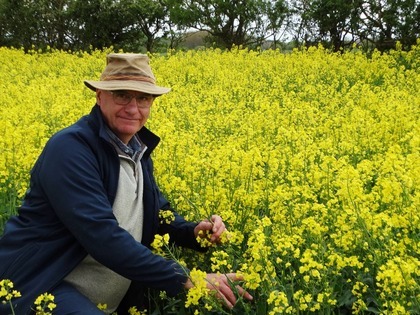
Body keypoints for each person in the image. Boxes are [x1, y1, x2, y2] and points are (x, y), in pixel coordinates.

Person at [0, 53, 252, 314]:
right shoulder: (71, 149)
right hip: (44, 284)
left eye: (143, 98)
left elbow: (157, 215)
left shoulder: (136, 150)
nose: (133, 108)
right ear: (99, 96)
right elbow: (102, 235)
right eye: (122, 95)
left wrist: (193, 232)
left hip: (102, 297)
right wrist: (189, 280)